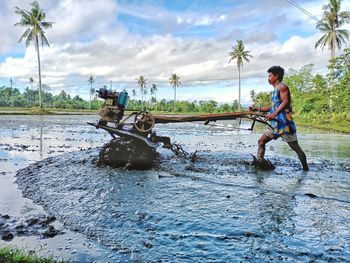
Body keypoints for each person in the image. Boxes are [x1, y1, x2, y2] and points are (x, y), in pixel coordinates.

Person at [249, 65, 309, 171]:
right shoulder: (275, 90)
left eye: (270, 76)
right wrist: (256, 109)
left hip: (285, 125)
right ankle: (260, 162)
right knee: (261, 142)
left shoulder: (282, 86)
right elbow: (272, 107)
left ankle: (305, 169)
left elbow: (285, 102)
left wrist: (274, 114)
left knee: (295, 148)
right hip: (275, 125)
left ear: (276, 76)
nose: (268, 78)